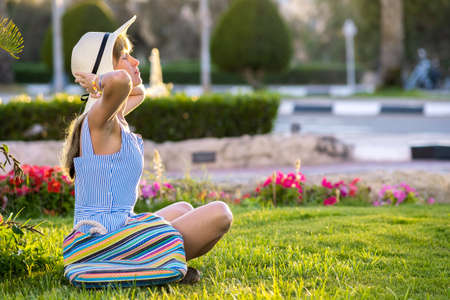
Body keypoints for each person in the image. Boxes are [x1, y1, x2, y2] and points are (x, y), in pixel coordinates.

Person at [60, 16, 233, 288]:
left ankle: (154, 258)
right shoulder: (98, 122)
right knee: (221, 213)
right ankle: (153, 260)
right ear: (105, 71)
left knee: (183, 208)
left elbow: (136, 92)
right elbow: (121, 82)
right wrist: (100, 82)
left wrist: (108, 78)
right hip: (101, 240)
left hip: (119, 226)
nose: (136, 62)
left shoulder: (112, 119)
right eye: (126, 56)